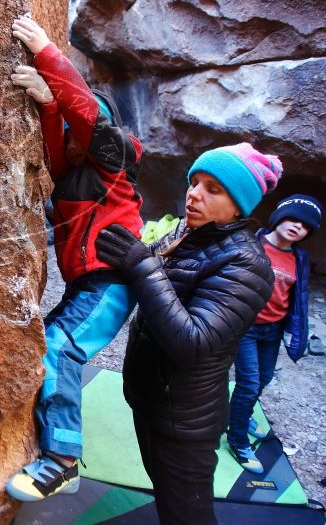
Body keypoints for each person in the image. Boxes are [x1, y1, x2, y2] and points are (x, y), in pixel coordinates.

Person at [94, 143, 282, 524]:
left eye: (213, 188)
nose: (194, 194)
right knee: (167, 499)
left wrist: (142, 266)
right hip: (155, 401)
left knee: (187, 515)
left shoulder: (246, 264)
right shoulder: (191, 237)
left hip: (184, 421)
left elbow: (193, 343)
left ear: (239, 205)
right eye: (194, 182)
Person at [4, 15, 144, 501]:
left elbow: (86, 116)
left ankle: (62, 462)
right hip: (91, 285)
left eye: (77, 131)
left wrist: (47, 52)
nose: (71, 138)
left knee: (60, 346)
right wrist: (46, 104)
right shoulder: (77, 171)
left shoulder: (114, 162)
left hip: (111, 282)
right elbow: (59, 148)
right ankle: (53, 443)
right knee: (48, 343)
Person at [227, 194, 323, 473]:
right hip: (246, 326)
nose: (297, 227)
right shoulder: (252, 244)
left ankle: (241, 416)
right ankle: (238, 440)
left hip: (274, 328)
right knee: (248, 383)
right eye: (293, 218)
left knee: (264, 378)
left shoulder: (300, 258)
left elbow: (298, 298)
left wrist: (297, 333)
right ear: (279, 217)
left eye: (305, 226)